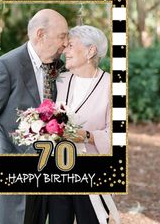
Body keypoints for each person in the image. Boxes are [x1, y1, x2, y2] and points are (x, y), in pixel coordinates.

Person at [0, 9, 69, 224]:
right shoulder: (5, 65)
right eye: (62, 36)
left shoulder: (60, 68)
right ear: (40, 34)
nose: (65, 43)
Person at [46, 25, 120, 224]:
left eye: (70, 45)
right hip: (59, 170)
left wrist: (88, 136)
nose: (65, 50)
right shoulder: (59, 81)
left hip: (93, 173)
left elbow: (118, 134)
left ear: (91, 51)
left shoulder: (112, 86)